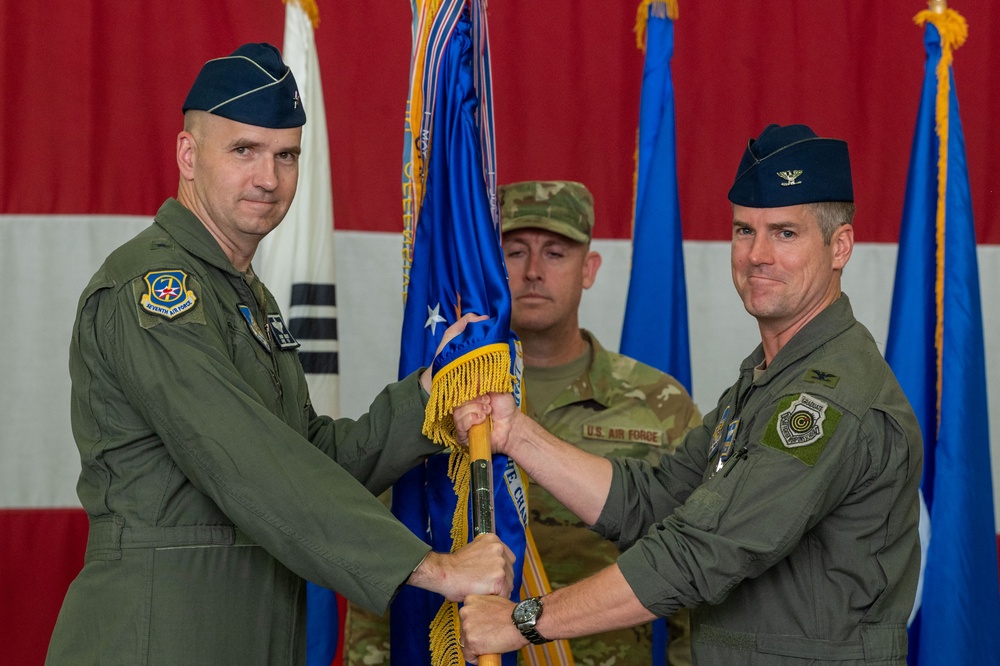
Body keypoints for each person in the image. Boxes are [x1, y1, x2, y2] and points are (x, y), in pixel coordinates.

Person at [45, 43, 513, 665]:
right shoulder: (154, 291)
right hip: (160, 629)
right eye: (243, 150)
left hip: (252, 620)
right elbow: (248, 461)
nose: (269, 178)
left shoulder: (244, 294)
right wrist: (433, 569)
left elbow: (304, 456)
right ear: (188, 155)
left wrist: (427, 397)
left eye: (286, 155)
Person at [455, 124, 922, 665]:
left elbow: (698, 555)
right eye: (745, 230)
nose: (758, 255)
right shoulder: (769, 378)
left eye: (786, 233)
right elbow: (652, 502)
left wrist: (522, 621)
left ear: (839, 246)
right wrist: (518, 434)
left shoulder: (829, 397)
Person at [499, 180, 699, 666]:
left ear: (589, 269)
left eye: (555, 253)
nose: (532, 272)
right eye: (515, 251)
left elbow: (697, 577)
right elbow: (396, 560)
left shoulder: (659, 404)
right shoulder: (452, 398)